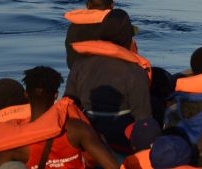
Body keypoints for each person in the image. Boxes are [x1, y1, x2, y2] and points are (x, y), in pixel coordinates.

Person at [0, 66, 117, 169]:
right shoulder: (77, 129)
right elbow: (112, 166)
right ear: (55, 95)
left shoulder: (16, 141)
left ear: (26, 95)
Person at [64, 9, 152, 154]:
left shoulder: (80, 64)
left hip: (88, 135)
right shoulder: (135, 71)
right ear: (127, 37)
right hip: (121, 139)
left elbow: (69, 104)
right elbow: (143, 117)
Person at [65, 0, 118, 67]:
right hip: (110, 76)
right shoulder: (119, 26)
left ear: (87, 5)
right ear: (112, 5)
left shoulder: (73, 27)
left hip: (79, 77)